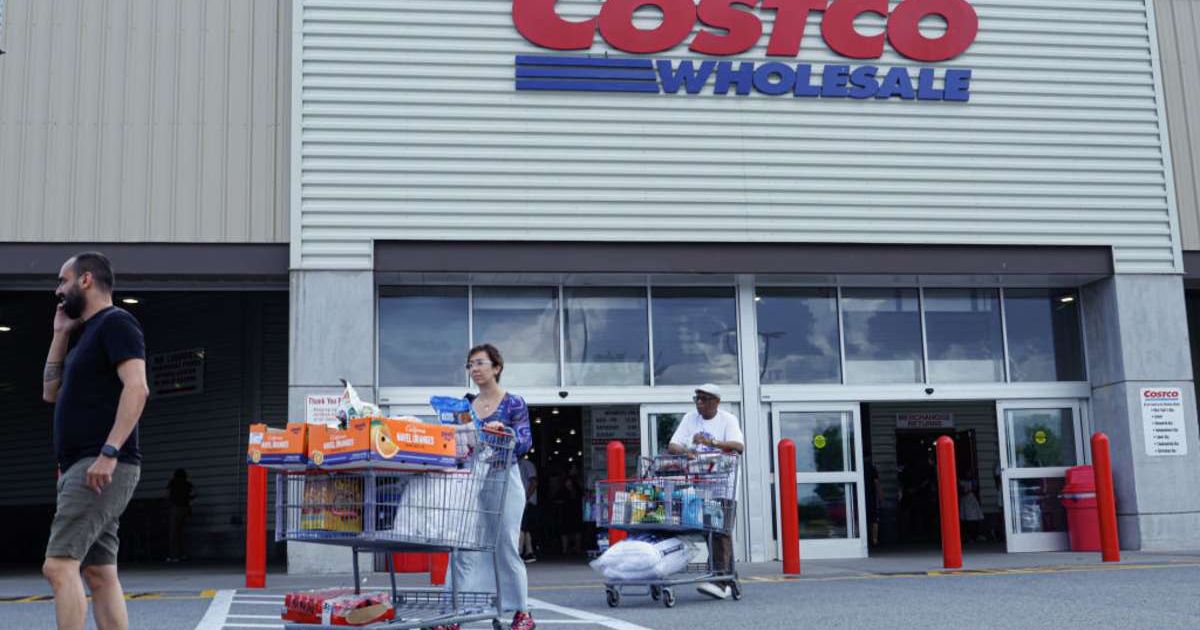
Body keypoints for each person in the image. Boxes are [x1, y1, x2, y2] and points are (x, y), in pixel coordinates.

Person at [41, 252, 149, 630]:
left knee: (58, 566)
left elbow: (137, 389)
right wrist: (59, 335)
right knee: (99, 574)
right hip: (83, 466)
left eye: (62, 280)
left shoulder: (116, 323)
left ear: (85, 280)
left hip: (99, 464)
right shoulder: (85, 335)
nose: (58, 290)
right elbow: (50, 393)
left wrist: (108, 452)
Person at [442, 344, 536, 630]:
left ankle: (522, 613)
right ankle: (454, 613)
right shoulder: (465, 405)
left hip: (503, 477)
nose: (475, 369)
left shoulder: (513, 403)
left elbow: (524, 441)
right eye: (470, 365)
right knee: (462, 545)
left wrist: (502, 433)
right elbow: (458, 443)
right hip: (471, 480)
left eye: (481, 363)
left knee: (505, 544)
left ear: (496, 367)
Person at [666, 383, 744, 600]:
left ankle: (721, 582)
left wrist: (712, 442)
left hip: (723, 485)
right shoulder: (690, 418)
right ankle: (727, 577)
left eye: (704, 399)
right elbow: (673, 445)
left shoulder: (728, 420)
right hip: (701, 485)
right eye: (697, 398)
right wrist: (687, 450)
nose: (699, 403)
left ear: (716, 402)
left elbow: (739, 446)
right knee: (710, 532)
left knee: (720, 531)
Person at [167, 469, 196, 562]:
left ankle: (174, 556)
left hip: (176, 508)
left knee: (174, 533)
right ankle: (182, 554)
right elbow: (195, 493)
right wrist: (189, 501)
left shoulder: (173, 483)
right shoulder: (187, 484)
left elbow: (166, 494)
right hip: (185, 508)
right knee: (181, 532)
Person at [517, 456, 538, 563]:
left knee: (522, 527)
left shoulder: (527, 465)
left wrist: (526, 497)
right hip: (521, 500)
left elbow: (533, 482)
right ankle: (529, 551)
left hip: (526, 501)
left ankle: (520, 551)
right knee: (525, 528)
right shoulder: (518, 464)